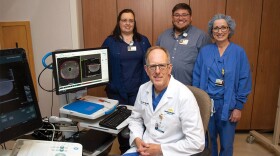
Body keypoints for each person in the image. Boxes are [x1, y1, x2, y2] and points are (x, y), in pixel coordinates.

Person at [123, 46, 205, 156]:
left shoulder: (184, 96)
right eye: (152, 67)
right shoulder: (143, 89)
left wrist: (161, 150)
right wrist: (137, 139)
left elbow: (197, 143)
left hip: (171, 152)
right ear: (146, 70)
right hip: (143, 148)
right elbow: (135, 119)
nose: (157, 71)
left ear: (169, 68)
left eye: (162, 66)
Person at [192, 14, 252, 156]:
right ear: (211, 31)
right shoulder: (205, 51)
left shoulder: (238, 52)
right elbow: (197, 76)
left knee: (226, 143)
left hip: (228, 105)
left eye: (223, 27)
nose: (219, 31)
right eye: (216, 28)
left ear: (229, 29)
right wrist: (198, 102)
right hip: (207, 103)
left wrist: (238, 107)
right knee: (207, 141)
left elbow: (245, 79)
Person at [102, 9, 151, 154]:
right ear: (119, 22)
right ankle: (125, 151)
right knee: (122, 127)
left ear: (134, 23)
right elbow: (102, 65)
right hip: (117, 93)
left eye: (131, 20)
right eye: (124, 20)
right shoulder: (110, 42)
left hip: (139, 92)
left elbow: (149, 63)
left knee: (140, 124)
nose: (127, 23)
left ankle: (139, 150)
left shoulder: (142, 41)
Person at [156, 3, 211, 85]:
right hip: (164, 86)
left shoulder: (201, 37)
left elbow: (207, 66)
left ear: (191, 17)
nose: (180, 18)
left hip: (190, 88)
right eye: (177, 15)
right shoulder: (163, 36)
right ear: (172, 17)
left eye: (184, 15)